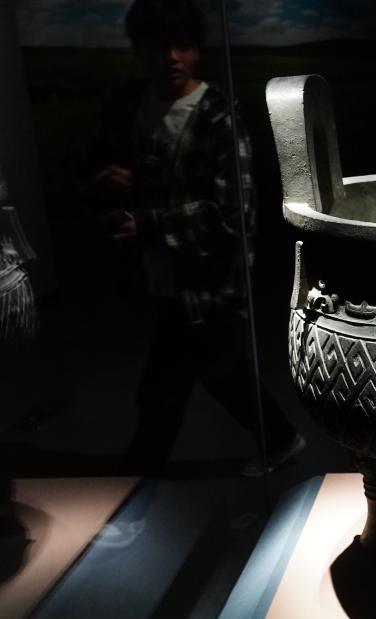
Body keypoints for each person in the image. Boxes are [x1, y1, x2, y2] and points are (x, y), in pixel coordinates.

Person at [81, 0, 302, 480]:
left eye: (181, 45)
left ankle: (138, 480)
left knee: (165, 387)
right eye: (158, 45)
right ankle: (282, 439)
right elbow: (99, 167)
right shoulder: (130, 105)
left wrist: (149, 223)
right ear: (140, 49)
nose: (171, 57)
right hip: (160, 275)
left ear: (198, 50)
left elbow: (233, 214)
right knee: (217, 370)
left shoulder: (216, 115)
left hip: (206, 279)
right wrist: (108, 181)